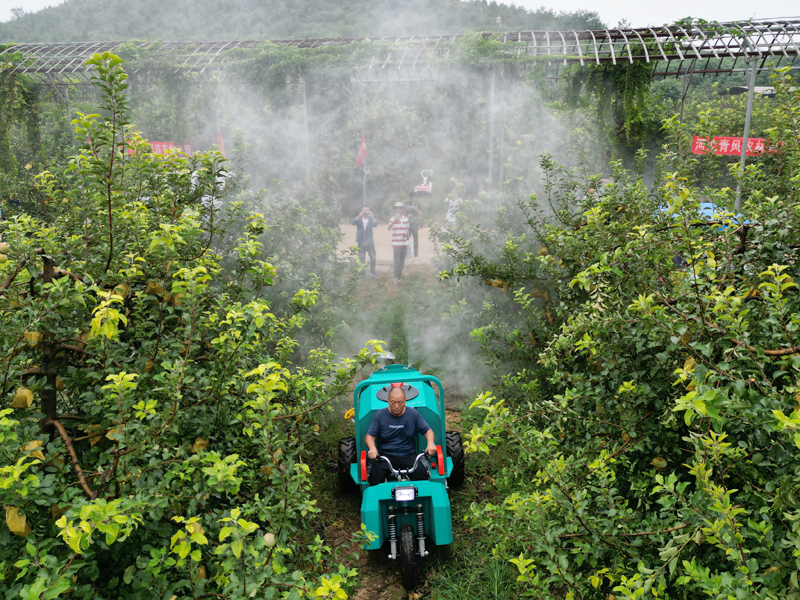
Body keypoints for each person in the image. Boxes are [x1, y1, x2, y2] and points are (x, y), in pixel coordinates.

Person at [365, 384, 436, 485]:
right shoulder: (380, 415)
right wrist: (372, 448)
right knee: (375, 476)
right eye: (393, 402)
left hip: (408, 455)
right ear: (388, 400)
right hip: (385, 457)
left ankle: (420, 500)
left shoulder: (413, 414)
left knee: (421, 475)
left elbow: (428, 431)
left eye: (400, 402)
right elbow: (369, 436)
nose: (396, 406)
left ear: (405, 401)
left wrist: (430, 444)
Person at [350, 206, 378, 280]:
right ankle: (363, 275)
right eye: (364, 210)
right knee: (362, 259)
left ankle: (372, 271)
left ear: (369, 211)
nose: (365, 212)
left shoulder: (370, 219)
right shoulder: (359, 219)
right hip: (361, 242)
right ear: (361, 211)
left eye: (367, 210)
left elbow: (375, 225)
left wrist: (373, 216)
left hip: (370, 242)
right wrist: (359, 215)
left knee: (373, 258)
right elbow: (352, 223)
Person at [388, 202, 409, 283]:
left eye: (400, 208)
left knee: (402, 261)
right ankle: (395, 277)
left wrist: (406, 232)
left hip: (404, 243)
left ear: (402, 209)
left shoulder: (406, 218)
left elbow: (407, 228)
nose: (399, 210)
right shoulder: (392, 219)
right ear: (395, 210)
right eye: (397, 208)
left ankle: (399, 276)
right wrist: (393, 222)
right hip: (396, 243)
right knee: (396, 261)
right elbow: (388, 228)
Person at [405, 192, 423, 259]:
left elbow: (421, 214)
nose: (412, 199)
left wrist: (416, 209)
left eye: (413, 198)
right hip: (407, 224)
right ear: (409, 198)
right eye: (411, 198)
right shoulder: (406, 203)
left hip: (415, 224)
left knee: (415, 239)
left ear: (415, 198)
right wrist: (406, 209)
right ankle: (407, 253)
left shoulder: (418, 204)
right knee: (407, 239)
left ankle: (415, 253)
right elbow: (401, 211)